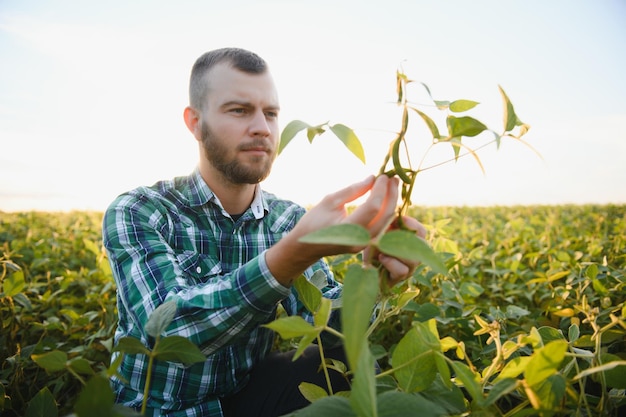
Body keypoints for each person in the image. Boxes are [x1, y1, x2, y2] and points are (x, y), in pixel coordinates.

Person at [102, 47, 425, 417]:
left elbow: (325, 323)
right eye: (239, 110)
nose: (262, 127)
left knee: (346, 359)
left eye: (270, 113)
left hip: (241, 399)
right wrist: (288, 257)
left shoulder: (287, 219)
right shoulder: (141, 210)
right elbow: (169, 333)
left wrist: (372, 279)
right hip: (155, 408)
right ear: (194, 122)